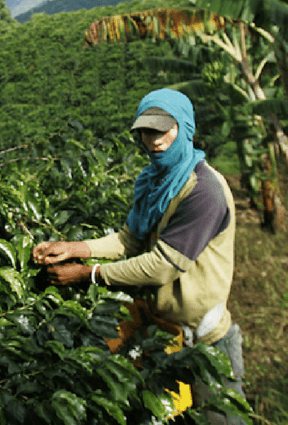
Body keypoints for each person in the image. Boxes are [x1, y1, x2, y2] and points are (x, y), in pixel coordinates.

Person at [32, 88, 247, 424]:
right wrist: (75, 248)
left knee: (219, 419)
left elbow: (164, 265)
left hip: (206, 341)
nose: (154, 141)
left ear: (184, 127)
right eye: (146, 132)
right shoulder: (154, 181)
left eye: (162, 130)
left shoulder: (203, 191)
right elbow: (130, 239)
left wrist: (87, 274)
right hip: (162, 332)